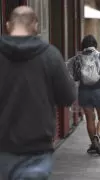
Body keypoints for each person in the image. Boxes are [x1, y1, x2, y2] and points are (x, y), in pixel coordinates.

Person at [0, 6, 76, 180]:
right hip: (37, 150)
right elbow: (68, 97)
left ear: (8, 25)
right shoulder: (50, 55)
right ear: (35, 25)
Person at [67, 35, 100, 155]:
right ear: (95, 45)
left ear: (83, 46)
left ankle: (93, 144)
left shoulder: (76, 59)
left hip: (84, 92)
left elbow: (74, 77)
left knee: (90, 119)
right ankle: (98, 138)